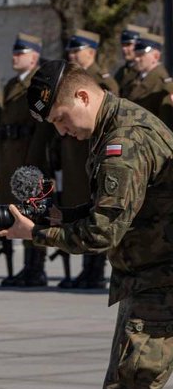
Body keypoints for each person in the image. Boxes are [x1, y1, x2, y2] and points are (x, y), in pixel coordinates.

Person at [0, 60, 173, 389]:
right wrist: (56, 216)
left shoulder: (125, 140)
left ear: (82, 98)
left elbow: (102, 234)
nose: (62, 133)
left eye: (58, 120)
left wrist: (38, 235)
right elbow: (117, 213)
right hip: (150, 278)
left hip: (162, 283)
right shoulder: (117, 126)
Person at [55, 29, 120, 290]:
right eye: (69, 51)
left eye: (76, 50)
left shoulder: (100, 82)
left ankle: (95, 269)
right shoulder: (71, 81)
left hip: (92, 154)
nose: (71, 55)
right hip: (74, 158)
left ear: (91, 52)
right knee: (77, 207)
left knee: (97, 209)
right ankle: (86, 268)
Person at [0, 33, 48, 287]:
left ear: (34, 57)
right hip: (10, 156)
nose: (15, 57)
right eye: (14, 53)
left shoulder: (40, 84)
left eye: (20, 53)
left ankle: (35, 268)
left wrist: (33, 161)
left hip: (28, 157)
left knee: (32, 214)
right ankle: (24, 268)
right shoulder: (12, 85)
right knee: (16, 212)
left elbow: (41, 127)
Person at [129, 32, 171, 118]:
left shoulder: (163, 84)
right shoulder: (134, 77)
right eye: (136, 54)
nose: (136, 59)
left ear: (156, 56)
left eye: (141, 54)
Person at [115, 23, 149, 100]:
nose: (124, 48)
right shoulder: (122, 70)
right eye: (123, 45)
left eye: (128, 44)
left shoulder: (144, 72)